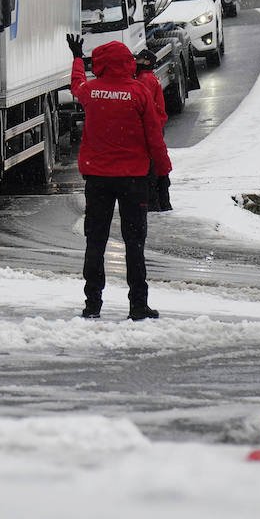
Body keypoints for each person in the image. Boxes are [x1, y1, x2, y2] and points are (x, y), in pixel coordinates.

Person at [66, 34, 172, 320]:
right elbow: (154, 137)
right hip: (133, 179)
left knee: (95, 242)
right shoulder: (139, 92)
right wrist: (163, 172)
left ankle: (92, 304)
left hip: (97, 178)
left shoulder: (91, 91)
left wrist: (77, 59)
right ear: (128, 62)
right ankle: (138, 304)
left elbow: (76, 85)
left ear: (100, 63)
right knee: (134, 244)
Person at [134, 49, 173, 212]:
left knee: (151, 166)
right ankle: (162, 202)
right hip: (156, 126)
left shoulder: (144, 80)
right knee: (158, 163)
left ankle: (155, 202)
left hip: (151, 127)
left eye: (139, 60)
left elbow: (144, 106)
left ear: (147, 62)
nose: (136, 62)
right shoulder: (150, 78)